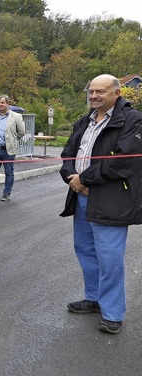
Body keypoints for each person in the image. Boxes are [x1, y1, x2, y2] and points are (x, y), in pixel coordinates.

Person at [60, 74, 142, 334]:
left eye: (101, 92)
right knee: (85, 250)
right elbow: (68, 154)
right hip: (81, 198)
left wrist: (84, 179)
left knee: (109, 258)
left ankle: (113, 313)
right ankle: (93, 298)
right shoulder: (85, 121)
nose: (94, 96)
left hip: (111, 200)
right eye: (91, 91)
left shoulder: (132, 120)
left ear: (117, 93)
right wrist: (72, 178)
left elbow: (124, 161)